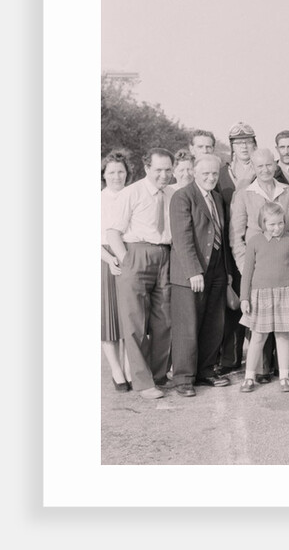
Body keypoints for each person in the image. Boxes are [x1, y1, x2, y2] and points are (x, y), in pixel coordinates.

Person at [106, 148, 176, 400]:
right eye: (158, 170)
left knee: (164, 320)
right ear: (147, 168)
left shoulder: (173, 193)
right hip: (136, 254)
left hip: (165, 255)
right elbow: (113, 232)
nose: (164, 175)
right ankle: (143, 382)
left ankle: (158, 376)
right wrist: (127, 261)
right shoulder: (131, 192)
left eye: (168, 169)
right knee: (134, 323)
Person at [230, 148, 289, 382]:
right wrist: (246, 269)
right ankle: (256, 374)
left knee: (283, 332)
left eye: (269, 165)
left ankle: (285, 373)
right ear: (254, 168)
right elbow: (236, 236)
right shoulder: (244, 194)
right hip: (258, 272)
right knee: (258, 333)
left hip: (283, 271)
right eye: (259, 166)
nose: (265, 170)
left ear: (275, 165)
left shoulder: (287, 192)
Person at [169, 154, 233, 397]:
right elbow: (182, 238)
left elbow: (221, 237)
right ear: (195, 173)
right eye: (205, 173)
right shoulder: (182, 196)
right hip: (191, 272)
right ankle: (184, 378)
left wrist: (225, 272)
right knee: (187, 326)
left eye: (214, 173)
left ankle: (205, 370)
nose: (210, 177)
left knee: (213, 323)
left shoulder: (216, 198)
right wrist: (193, 271)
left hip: (216, 268)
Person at [239, 202, 289, 394]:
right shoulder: (255, 241)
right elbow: (247, 272)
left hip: (286, 292)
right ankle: (249, 377)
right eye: (272, 224)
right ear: (263, 222)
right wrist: (244, 298)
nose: (277, 228)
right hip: (261, 294)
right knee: (258, 337)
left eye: (281, 223)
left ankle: (284, 377)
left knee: (283, 336)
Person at [216, 122, 258, 376]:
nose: (244, 147)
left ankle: (264, 360)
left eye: (248, 142)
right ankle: (231, 359)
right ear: (232, 147)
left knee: (257, 300)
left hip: (252, 243)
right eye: (238, 143)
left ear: (255, 144)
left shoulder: (263, 169)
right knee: (232, 303)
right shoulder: (222, 172)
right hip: (226, 244)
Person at [101, 148, 133, 391]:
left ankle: (130, 366)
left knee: (128, 315)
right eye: (111, 172)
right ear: (104, 174)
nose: (116, 176)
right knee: (108, 317)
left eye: (120, 171)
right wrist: (107, 259)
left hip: (129, 255)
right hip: (103, 259)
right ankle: (116, 369)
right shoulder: (98, 199)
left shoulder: (131, 195)